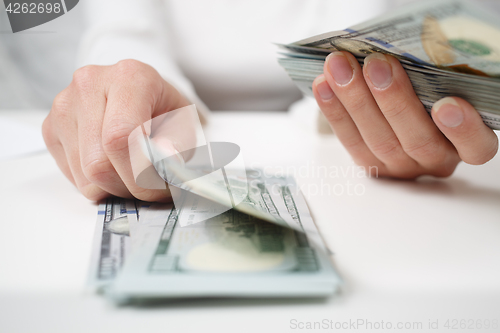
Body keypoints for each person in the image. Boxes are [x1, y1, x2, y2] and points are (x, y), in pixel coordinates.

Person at [41, 0, 499, 202]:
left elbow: (356, 52)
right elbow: (122, 33)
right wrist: (126, 87)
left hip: (334, 160)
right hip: (205, 145)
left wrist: (347, 121)